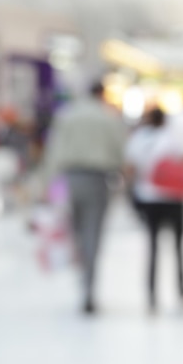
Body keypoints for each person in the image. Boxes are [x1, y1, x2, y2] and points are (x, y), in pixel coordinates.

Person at [42, 81, 126, 315]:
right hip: (98, 181)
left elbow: (54, 151)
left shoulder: (68, 116)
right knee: (93, 234)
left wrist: (46, 184)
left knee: (76, 232)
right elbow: (120, 152)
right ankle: (89, 288)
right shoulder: (108, 118)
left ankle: (83, 282)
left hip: (71, 180)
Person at [125, 108, 183, 313]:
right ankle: (182, 292)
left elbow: (130, 168)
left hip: (148, 198)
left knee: (152, 247)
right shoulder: (173, 138)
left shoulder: (138, 139)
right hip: (174, 198)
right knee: (179, 247)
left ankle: (151, 294)